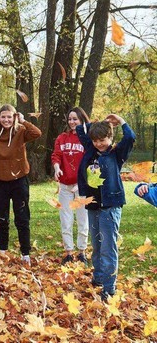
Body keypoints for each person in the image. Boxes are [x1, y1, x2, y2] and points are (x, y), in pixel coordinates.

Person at [76, 114, 135, 302]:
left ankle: (109, 288)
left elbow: (130, 137)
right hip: (93, 204)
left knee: (108, 247)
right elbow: (80, 130)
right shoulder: (91, 151)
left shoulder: (117, 154)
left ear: (110, 138)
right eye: (95, 140)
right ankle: (99, 277)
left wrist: (120, 121)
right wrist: (96, 124)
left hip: (111, 205)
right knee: (97, 243)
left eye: (102, 140)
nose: (99, 144)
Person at [0, 104, 42, 265]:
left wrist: (23, 121)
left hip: (19, 180)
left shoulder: (20, 131)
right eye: (3, 117)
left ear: (14, 117)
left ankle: (25, 252)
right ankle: (3, 250)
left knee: (22, 217)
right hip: (0, 181)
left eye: (9, 117)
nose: (6, 120)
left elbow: (37, 133)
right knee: (1, 217)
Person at [51, 107, 90, 265]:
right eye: (70, 119)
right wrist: (57, 167)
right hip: (65, 185)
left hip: (81, 186)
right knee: (65, 219)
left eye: (75, 119)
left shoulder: (87, 138)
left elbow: (91, 159)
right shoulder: (62, 137)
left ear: (82, 120)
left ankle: (82, 251)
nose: (72, 122)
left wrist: (83, 181)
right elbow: (56, 155)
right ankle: (68, 252)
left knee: (83, 219)